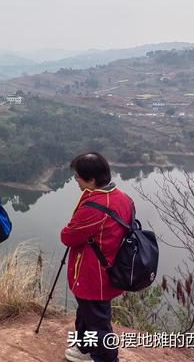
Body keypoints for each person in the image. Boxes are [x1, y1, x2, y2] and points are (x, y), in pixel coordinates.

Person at [61, 153, 134, 362]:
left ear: (91, 180)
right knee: (87, 313)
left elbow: (68, 236)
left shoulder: (95, 207)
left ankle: (106, 358)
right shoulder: (123, 198)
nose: (75, 180)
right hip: (111, 269)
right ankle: (85, 349)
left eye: (77, 177)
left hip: (93, 275)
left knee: (98, 322)